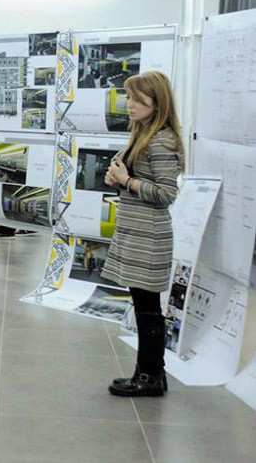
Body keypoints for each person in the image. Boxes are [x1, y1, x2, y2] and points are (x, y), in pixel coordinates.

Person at [102, 71, 184, 398]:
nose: (130, 104)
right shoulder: (144, 135)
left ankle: (150, 376)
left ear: (157, 102)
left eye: (138, 99)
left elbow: (166, 194)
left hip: (148, 235)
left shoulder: (161, 140)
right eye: (129, 98)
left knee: (148, 308)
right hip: (137, 231)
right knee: (143, 305)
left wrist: (127, 181)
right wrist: (118, 179)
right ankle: (149, 373)